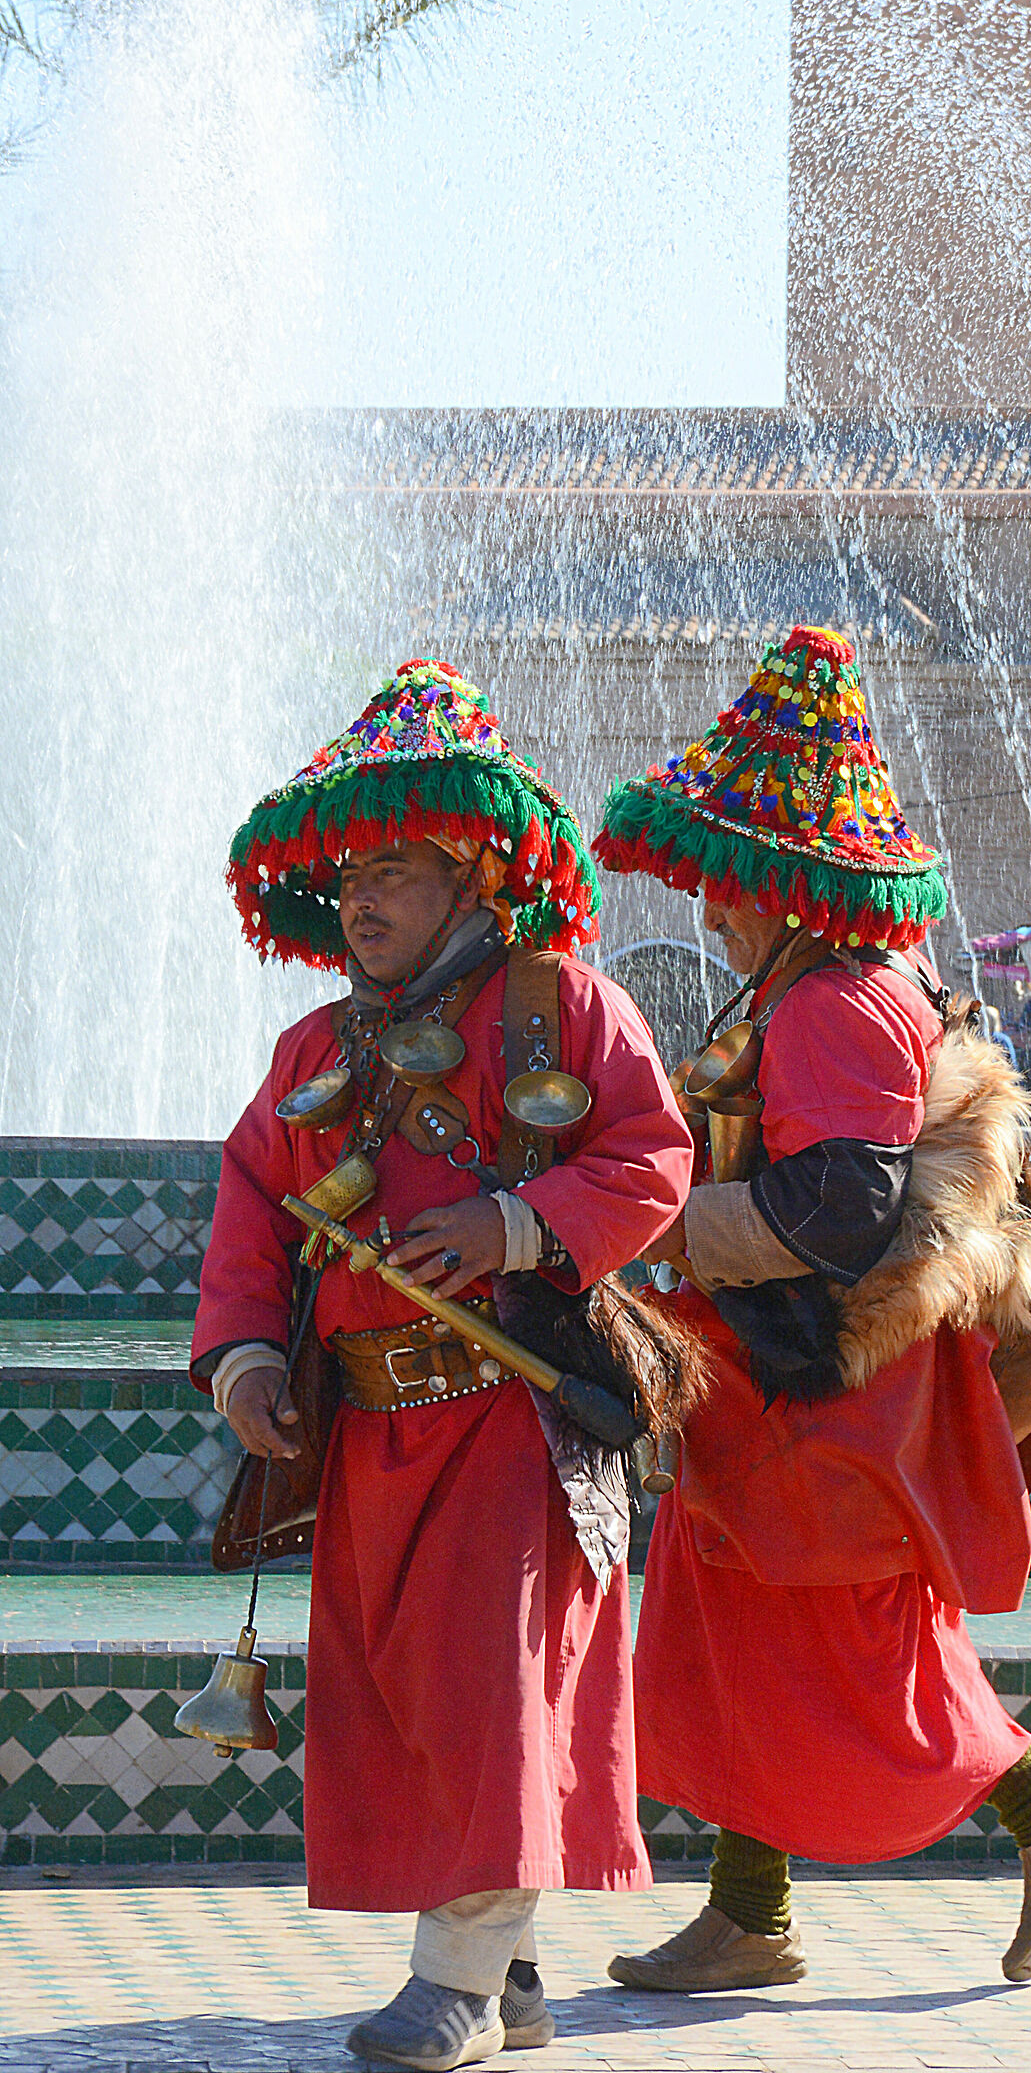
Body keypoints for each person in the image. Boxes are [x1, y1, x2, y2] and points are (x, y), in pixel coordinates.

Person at [592, 626, 1031, 1994]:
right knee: (737, 1630)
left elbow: (836, 1208)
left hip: (825, 1385)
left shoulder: (832, 1004)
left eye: (728, 882)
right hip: (785, 1381)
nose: (712, 906)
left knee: (843, 1641)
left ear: (784, 882)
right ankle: (749, 1915)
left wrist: (654, 1228)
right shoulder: (830, 987)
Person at [190, 661, 694, 2071]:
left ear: (475, 871)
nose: (362, 898)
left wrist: (521, 1221)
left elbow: (656, 1160)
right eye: (352, 871)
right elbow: (248, 1204)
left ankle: (457, 1987)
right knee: (415, 1706)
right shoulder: (312, 1047)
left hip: (510, 1425)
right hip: (367, 1434)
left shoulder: (565, 1009)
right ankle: (515, 1970)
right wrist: (239, 1361)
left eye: (398, 868)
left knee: (485, 1694)